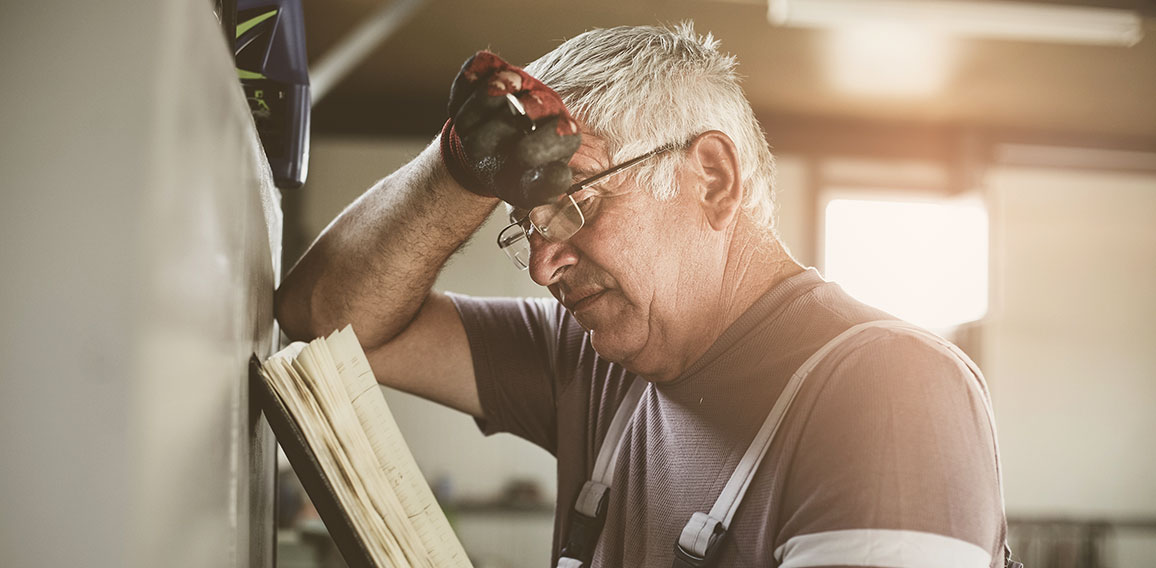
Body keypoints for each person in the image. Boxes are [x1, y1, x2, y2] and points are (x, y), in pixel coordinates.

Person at [276, 23, 1014, 568]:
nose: (542, 267)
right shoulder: (592, 361)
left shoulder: (891, 392)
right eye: (526, 227)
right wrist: (458, 173)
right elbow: (326, 323)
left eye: (574, 202)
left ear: (713, 180)